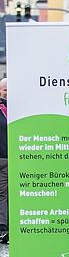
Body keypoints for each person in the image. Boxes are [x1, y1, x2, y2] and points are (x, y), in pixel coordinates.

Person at [0, 78, 8, 244]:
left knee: (5, 192)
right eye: (4, 89)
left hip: (8, 157)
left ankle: (3, 227)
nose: (7, 92)